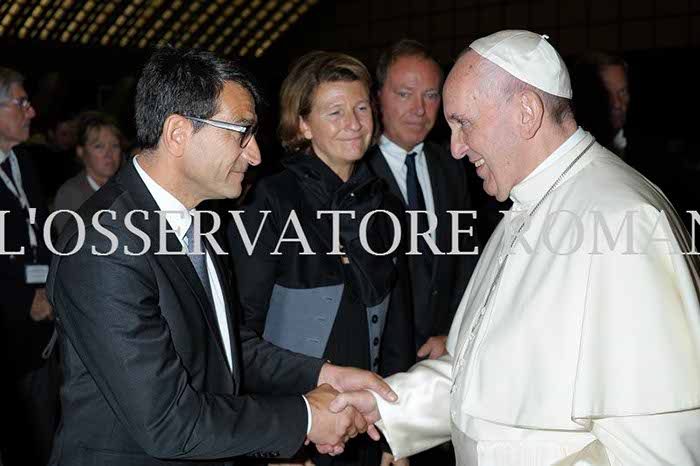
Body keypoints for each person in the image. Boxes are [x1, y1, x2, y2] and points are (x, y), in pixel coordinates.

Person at [329, 30, 700, 465]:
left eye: (464, 123)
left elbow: (656, 445)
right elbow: (481, 373)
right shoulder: (526, 202)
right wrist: (388, 406)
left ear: (526, 112)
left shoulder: (624, 219)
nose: (455, 147)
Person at [47, 46, 397, 466]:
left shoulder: (193, 219)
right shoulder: (104, 244)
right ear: (178, 133)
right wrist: (305, 417)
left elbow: (227, 348)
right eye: (240, 133)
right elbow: (168, 422)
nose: (255, 155)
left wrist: (323, 375)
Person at [228, 51, 408, 466]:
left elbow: (399, 331)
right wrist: (283, 443)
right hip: (296, 431)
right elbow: (242, 335)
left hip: (368, 426)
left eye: (362, 108)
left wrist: (395, 438)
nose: (354, 123)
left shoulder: (387, 207)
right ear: (303, 124)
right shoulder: (270, 200)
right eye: (335, 111)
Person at [368, 39, 479, 466]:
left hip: (448, 363)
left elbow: (467, 260)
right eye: (404, 93)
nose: (419, 108)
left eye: (431, 95)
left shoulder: (454, 163)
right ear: (378, 97)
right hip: (384, 373)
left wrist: (455, 334)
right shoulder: (355, 171)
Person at [0, 67, 59, 466]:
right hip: (8, 325)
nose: (31, 111)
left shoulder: (23, 161)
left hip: (37, 330)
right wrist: (25, 300)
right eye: (21, 102)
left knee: (40, 436)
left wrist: (49, 288)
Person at [53, 111, 123, 233]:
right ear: (81, 151)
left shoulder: (127, 188)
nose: (109, 154)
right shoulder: (70, 195)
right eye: (99, 146)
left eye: (115, 146)